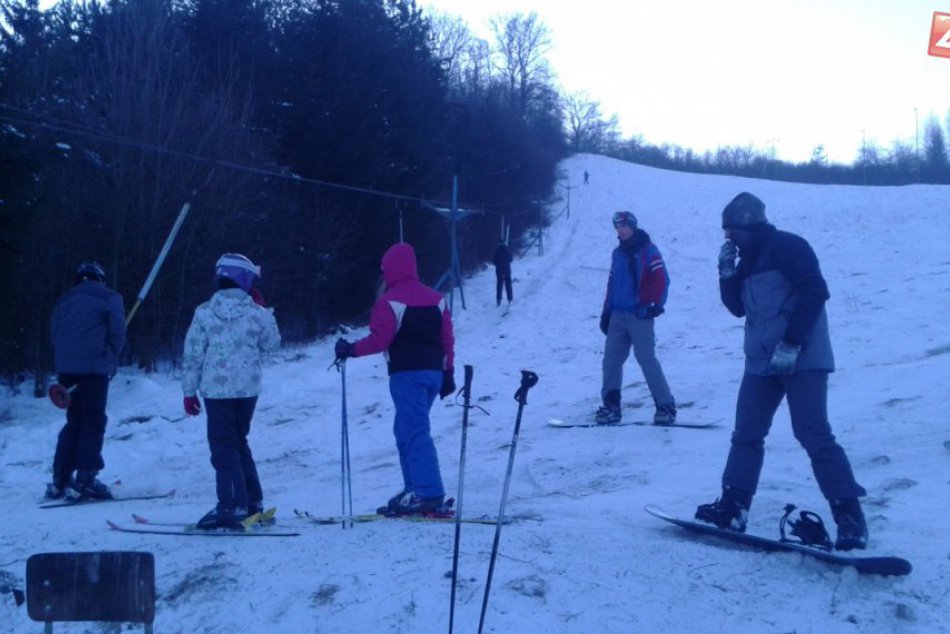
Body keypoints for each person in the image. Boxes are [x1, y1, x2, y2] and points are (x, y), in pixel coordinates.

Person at [694, 192, 868, 551]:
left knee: (813, 432)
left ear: (747, 225)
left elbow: (815, 291)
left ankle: (849, 517)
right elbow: (737, 308)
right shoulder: (746, 259)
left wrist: (792, 342)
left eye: (730, 230)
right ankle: (734, 507)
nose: (727, 236)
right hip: (760, 362)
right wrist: (726, 274)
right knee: (746, 433)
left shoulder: (789, 246)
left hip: (802, 355)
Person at [335, 242, 456, 516]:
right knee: (404, 430)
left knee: (414, 431)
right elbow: (447, 339)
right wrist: (448, 373)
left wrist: (351, 350)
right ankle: (414, 488)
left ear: (388, 269)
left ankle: (428, 493)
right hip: (433, 375)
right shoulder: (436, 298)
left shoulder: (390, 301)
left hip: (407, 375)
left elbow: (380, 340)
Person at [181, 253, 281, 529]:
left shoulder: (204, 312)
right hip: (248, 390)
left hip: (217, 391)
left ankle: (232, 505)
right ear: (245, 279)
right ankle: (252, 501)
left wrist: (189, 391)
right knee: (238, 442)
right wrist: (266, 312)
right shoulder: (257, 312)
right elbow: (272, 345)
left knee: (223, 446)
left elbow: (192, 355)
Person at [45, 261, 127, 500]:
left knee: (74, 420)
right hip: (94, 368)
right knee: (93, 420)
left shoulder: (64, 299)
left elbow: (54, 333)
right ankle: (87, 477)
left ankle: (60, 477)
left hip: (66, 369)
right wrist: (112, 356)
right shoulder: (110, 297)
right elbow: (117, 331)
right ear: (100, 278)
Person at [597, 211, 676, 425]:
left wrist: (656, 305)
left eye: (623, 226)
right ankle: (611, 406)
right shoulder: (617, 254)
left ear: (632, 226)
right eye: (617, 227)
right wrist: (606, 312)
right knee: (611, 361)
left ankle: (665, 406)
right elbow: (612, 284)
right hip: (617, 316)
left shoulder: (648, 250)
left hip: (640, 315)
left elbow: (662, 279)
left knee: (646, 359)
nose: (620, 230)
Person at [492, 240, 513, 306]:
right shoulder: (508, 251)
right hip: (507, 271)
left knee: (499, 286)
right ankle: (510, 299)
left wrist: (498, 264)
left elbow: (494, 261)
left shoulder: (497, 252)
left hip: (499, 272)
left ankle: (498, 300)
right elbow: (511, 259)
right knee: (508, 286)